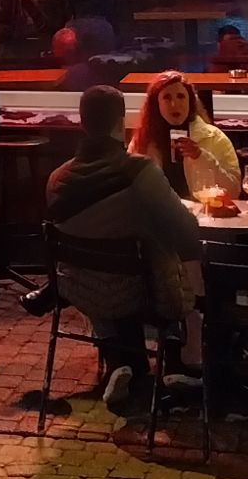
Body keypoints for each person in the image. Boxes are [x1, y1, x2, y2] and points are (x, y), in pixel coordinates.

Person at [46, 85, 204, 412]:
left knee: (111, 272)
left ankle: (122, 361)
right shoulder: (138, 171)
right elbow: (187, 233)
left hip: (81, 291)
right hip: (141, 293)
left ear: (82, 122)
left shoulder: (57, 179)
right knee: (167, 260)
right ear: (121, 122)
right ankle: (177, 361)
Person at [128, 71, 240, 203]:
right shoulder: (143, 140)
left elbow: (234, 191)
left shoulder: (214, 138)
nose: (174, 104)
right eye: (167, 97)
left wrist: (201, 157)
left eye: (180, 96)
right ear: (156, 104)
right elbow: (129, 188)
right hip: (158, 212)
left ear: (190, 101)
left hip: (201, 211)